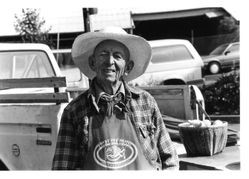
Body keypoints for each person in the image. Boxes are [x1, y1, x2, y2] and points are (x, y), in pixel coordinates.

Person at [52, 27, 179, 170]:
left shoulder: (145, 102)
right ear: (92, 63)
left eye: (117, 56)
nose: (109, 61)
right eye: (103, 54)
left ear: (128, 67)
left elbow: (170, 159)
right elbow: (62, 169)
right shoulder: (74, 111)